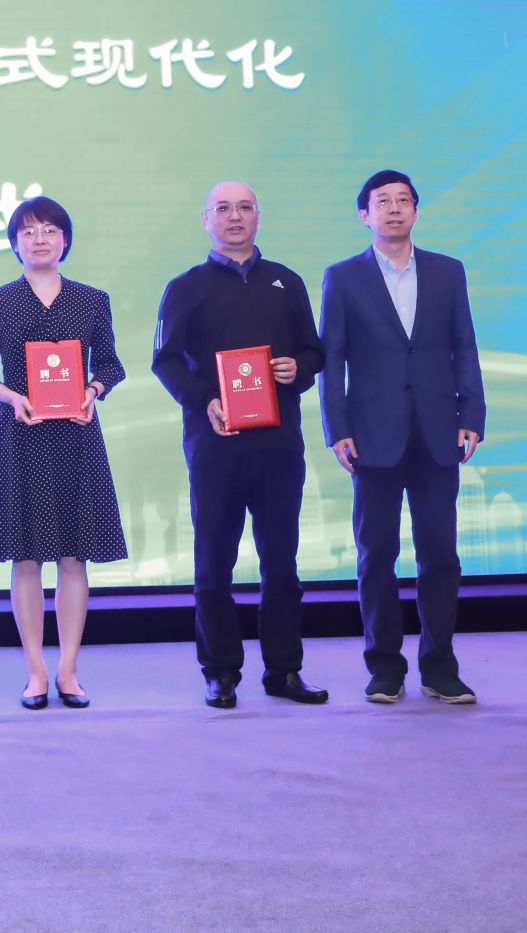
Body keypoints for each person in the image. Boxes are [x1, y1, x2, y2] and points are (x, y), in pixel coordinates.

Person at [151, 180, 327, 710]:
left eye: (244, 207)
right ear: (206, 219)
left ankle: (284, 670)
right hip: (215, 442)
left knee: (282, 563)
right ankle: (220, 672)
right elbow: (165, 360)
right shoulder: (185, 286)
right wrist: (205, 399)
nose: (234, 217)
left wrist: (298, 369)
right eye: (223, 209)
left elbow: (314, 352)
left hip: (278, 443)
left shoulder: (286, 281)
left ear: (258, 216)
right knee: (214, 563)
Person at [320, 170, 486, 706]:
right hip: (372, 435)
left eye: (403, 200)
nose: (394, 209)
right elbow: (332, 360)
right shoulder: (342, 277)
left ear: (416, 211)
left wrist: (472, 413)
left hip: (438, 430)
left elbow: (464, 344)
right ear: (364, 215)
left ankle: (440, 667)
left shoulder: (448, 271)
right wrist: (338, 429)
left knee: (440, 555)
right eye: (382, 201)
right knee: (376, 555)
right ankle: (385, 668)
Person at [0, 195, 127, 710]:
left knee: (75, 557)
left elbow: (111, 365)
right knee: (27, 557)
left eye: (50, 230)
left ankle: (69, 671)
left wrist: (93, 391)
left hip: (76, 434)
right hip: (21, 434)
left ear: (65, 240)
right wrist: (10, 396)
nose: (40, 239)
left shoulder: (92, 300)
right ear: (15, 243)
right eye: (29, 231)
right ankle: (35, 671)